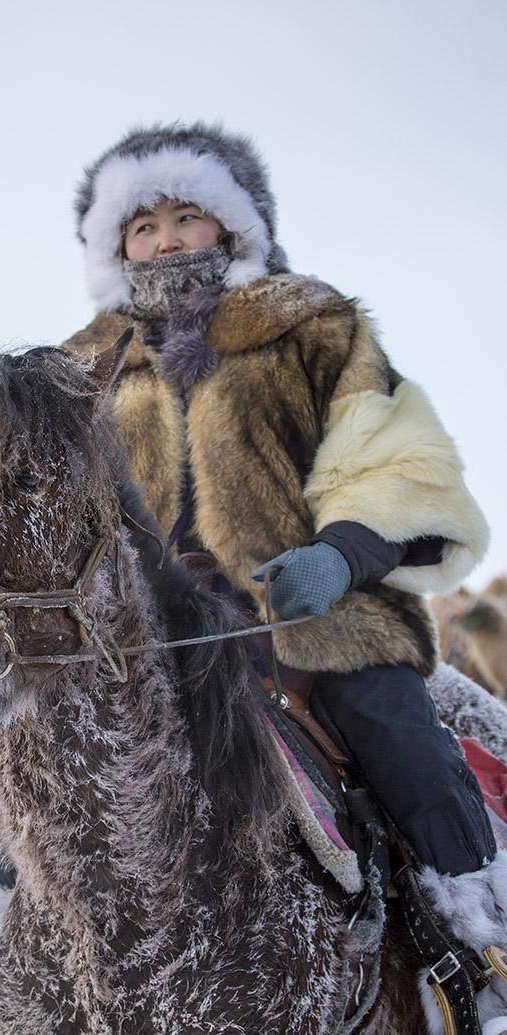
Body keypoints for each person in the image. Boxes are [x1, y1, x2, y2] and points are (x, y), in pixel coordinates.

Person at [63, 122, 507, 1033]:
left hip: (307, 614)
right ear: (115, 245)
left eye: (188, 216)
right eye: (141, 227)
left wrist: (340, 554)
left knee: (397, 737)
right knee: (32, 793)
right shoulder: (83, 365)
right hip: (143, 643)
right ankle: (47, 973)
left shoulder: (311, 322)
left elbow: (396, 462)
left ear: (232, 228)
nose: (164, 238)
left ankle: (472, 942)